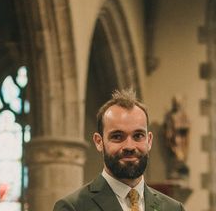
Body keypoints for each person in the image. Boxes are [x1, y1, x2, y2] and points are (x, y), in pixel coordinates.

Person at [53, 88, 185, 210]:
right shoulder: (73, 207)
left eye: (138, 136)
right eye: (117, 136)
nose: (129, 146)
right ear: (99, 142)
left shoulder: (173, 208)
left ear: (149, 140)